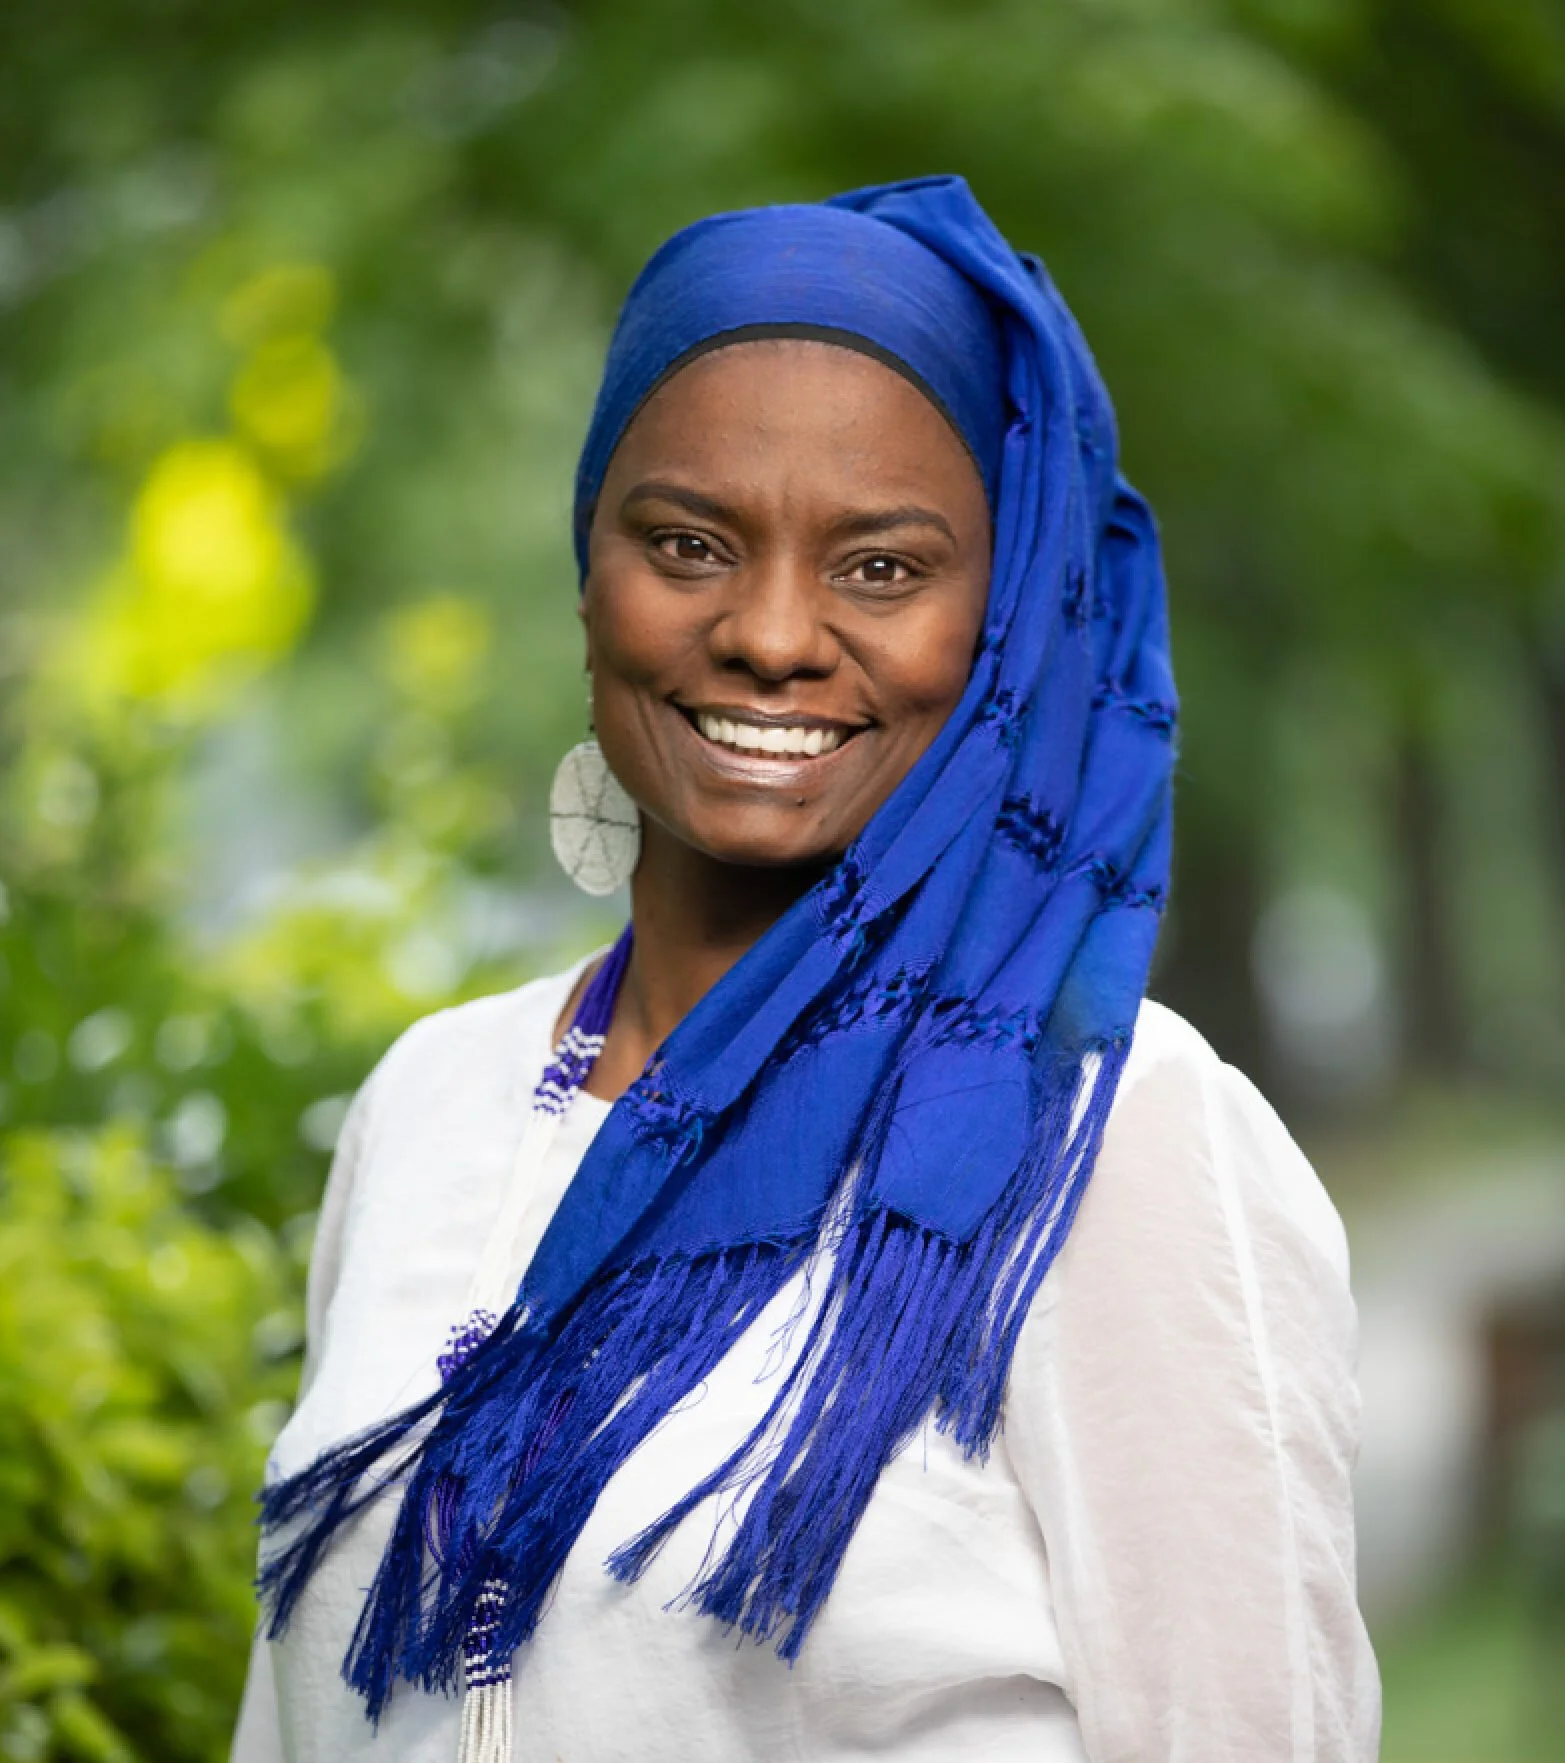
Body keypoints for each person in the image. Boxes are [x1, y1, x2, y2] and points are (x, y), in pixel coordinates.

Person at [231, 176, 1380, 1763]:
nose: (771, 632)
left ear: (1001, 634)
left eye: (883, 568)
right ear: (591, 574)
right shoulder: (432, 1101)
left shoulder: (1112, 1139)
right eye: (689, 542)